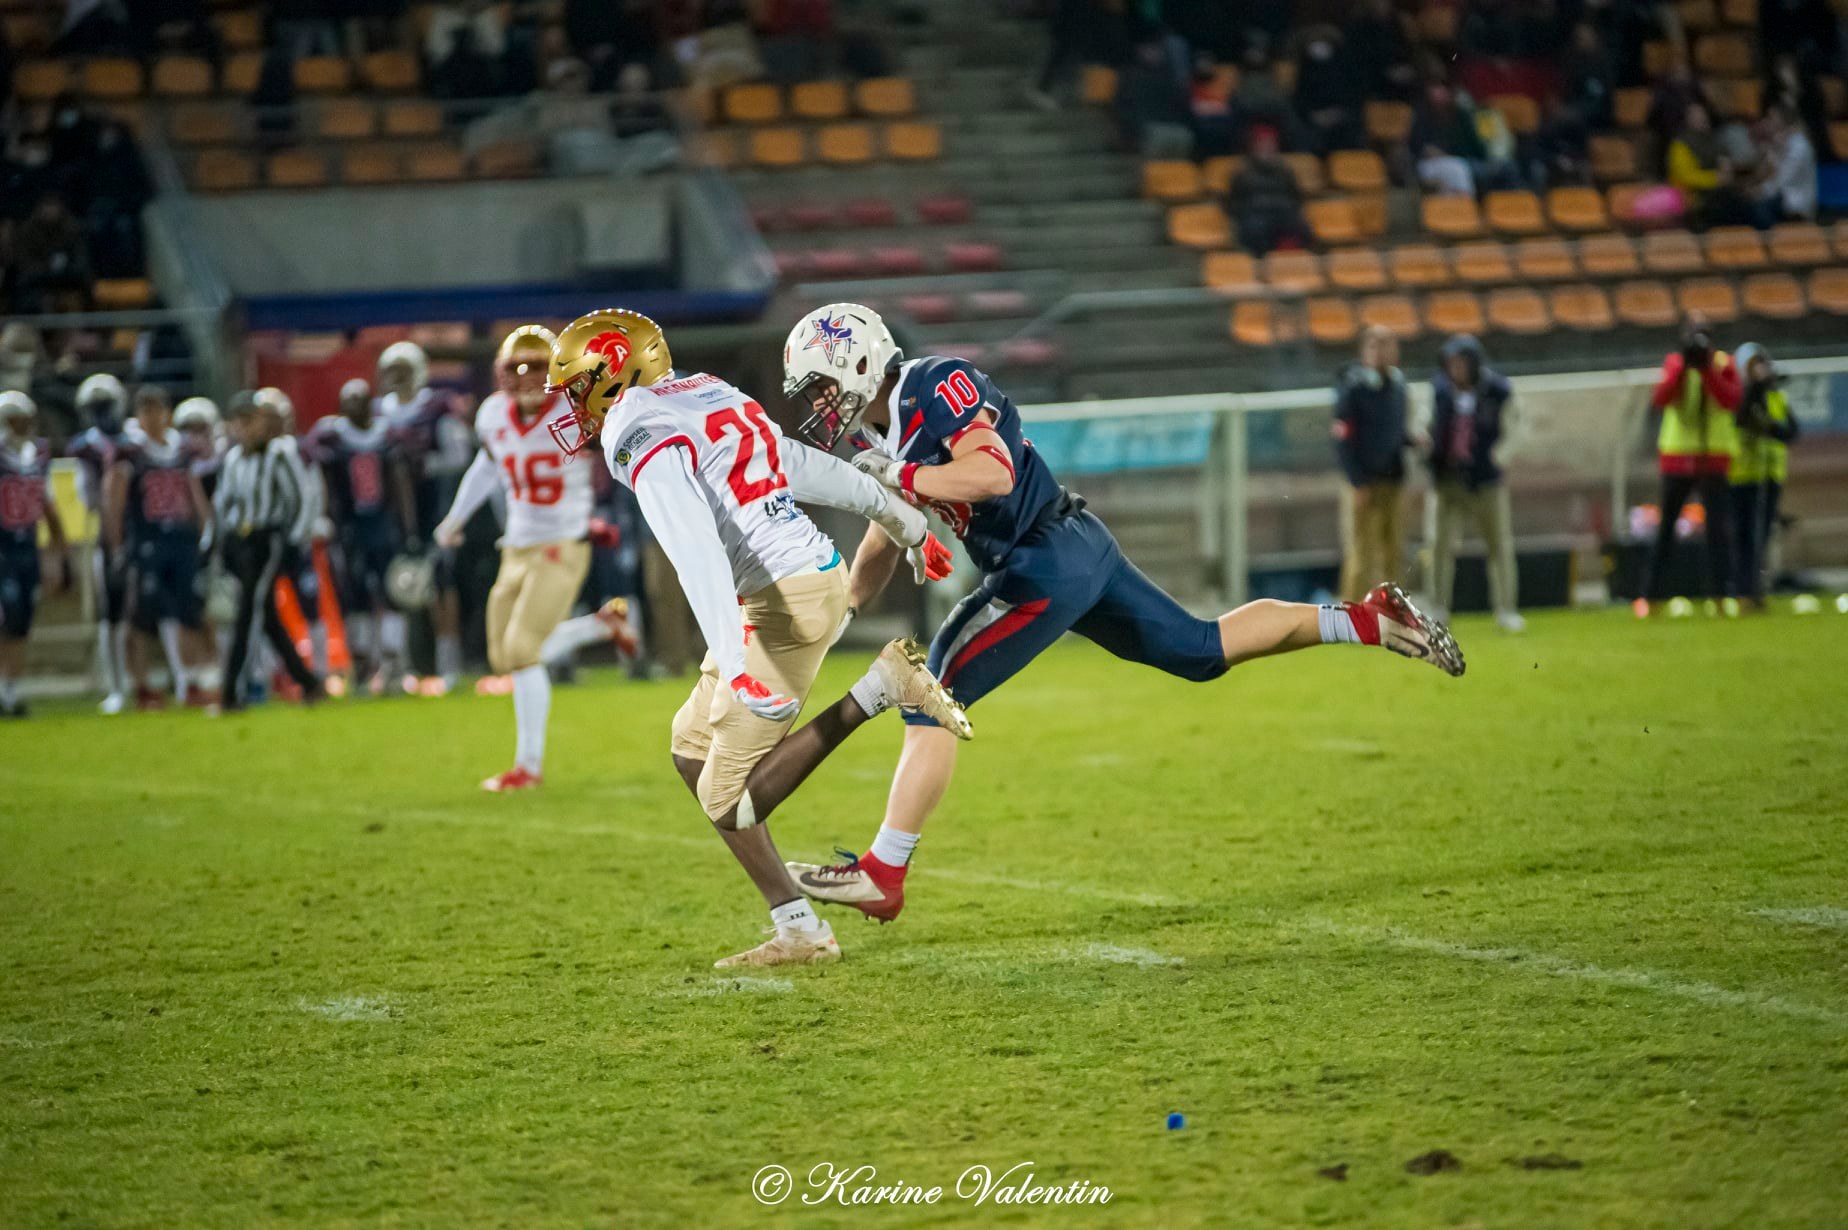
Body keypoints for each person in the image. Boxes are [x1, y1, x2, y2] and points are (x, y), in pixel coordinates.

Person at [777, 303, 1463, 924]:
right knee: (1201, 650)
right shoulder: (884, 434)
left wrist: (903, 477)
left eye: (821, 385)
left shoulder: (933, 382)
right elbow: (884, 532)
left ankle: (883, 872)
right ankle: (1365, 620)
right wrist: (846, 609)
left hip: (1042, 556)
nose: (818, 403)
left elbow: (992, 475)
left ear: (859, 360)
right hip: (1075, 549)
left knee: (928, 690)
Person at [544, 307, 969, 966]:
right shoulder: (704, 392)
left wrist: (735, 657)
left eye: (577, 386)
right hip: (792, 582)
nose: (571, 406)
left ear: (613, 373)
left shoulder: (636, 425)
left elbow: (696, 552)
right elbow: (805, 466)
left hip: (779, 602)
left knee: (730, 802)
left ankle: (881, 686)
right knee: (690, 749)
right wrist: (905, 522)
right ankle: (799, 928)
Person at [433, 326, 595, 791]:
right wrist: (455, 518)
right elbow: (487, 467)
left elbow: (618, 457)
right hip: (517, 544)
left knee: (524, 650)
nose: (525, 378)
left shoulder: (578, 409)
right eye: (515, 368)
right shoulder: (492, 415)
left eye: (536, 367)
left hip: (563, 543)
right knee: (503, 655)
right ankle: (602, 625)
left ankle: (528, 765)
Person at [104, 385, 218, 708]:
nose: (153, 418)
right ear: (138, 416)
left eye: (157, 410)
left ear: (167, 413)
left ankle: (191, 681)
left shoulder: (181, 450)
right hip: (148, 540)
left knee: (189, 611)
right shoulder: (130, 452)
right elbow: (115, 498)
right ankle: (141, 686)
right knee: (140, 614)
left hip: (180, 539)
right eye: (146, 411)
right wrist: (117, 544)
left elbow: (194, 492)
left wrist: (205, 529)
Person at [305, 378, 417, 696]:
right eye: (349, 400)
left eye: (360, 399)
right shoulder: (332, 438)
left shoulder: (386, 436)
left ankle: (394, 665)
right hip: (350, 528)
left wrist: (407, 529)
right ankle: (363, 666)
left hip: (383, 525)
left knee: (393, 592)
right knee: (354, 597)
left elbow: (400, 484)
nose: (355, 406)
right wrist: (326, 519)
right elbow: (323, 484)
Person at [210, 396, 323, 711]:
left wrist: (294, 538)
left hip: (269, 538)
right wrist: (216, 541)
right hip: (241, 540)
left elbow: (301, 497)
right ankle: (309, 682)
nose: (247, 428)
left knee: (250, 612)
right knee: (266, 617)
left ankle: (233, 691)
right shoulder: (233, 459)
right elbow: (223, 503)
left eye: (252, 420)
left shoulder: (280, 454)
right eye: (241, 421)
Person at [376, 340, 469, 694]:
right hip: (392, 512)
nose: (397, 379)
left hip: (434, 506)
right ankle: (396, 666)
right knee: (393, 586)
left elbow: (458, 454)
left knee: (441, 584)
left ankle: (448, 664)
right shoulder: (378, 413)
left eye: (403, 371)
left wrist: (423, 464)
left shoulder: (436, 408)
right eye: (392, 372)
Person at [1635, 313, 1741, 616]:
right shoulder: (1675, 364)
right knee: (1667, 528)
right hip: (1678, 458)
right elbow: (1662, 397)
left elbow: (1731, 400)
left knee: (1718, 531)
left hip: (1714, 458)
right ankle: (1650, 596)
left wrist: (1707, 370)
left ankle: (1721, 596)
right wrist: (1683, 370)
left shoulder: (1723, 365)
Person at [1425, 335, 1522, 632]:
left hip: (1485, 481)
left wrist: (1499, 457)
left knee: (1499, 546)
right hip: (1448, 480)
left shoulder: (1498, 390)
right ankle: (1438, 609)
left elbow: (1516, 428)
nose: (1455, 369)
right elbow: (1426, 422)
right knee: (1440, 547)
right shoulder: (1440, 391)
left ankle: (1506, 609)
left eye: (1461, 363)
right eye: (1451, 364)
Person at [0, 391, 71, 717]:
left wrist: (59, 553)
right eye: (14, 421)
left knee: (19, 623)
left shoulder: (37, 456)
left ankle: (11, 693)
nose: (20, 427)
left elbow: (48, 506)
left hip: (26, 546)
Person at [68, 371, 131, 712]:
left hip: (138, 531)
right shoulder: (87, 448)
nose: (102, 414)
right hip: (106, 534)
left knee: (139, 611)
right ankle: (116, 685)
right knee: (112, 611)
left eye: (105, 406)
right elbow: (88, 499)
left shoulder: (132, 439)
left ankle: (144, 682)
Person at [1334, 326, 1410, 603]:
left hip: (1392, 477)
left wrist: (1413, 441)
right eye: (1374, 346)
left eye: (1386, 345)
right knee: (1361, 549)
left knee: (1393, 548)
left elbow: (1395, 431)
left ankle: (1393, 607)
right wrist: (1356, 481)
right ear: (1364, 351)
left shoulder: (1398, 386)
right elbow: (1343, 439)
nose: (1380, 352)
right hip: (1364, 480)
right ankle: (1352, 612)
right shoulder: (1353, 388)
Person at [1728, 343, 1799, 609]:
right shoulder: (1739, 397)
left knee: (1761, 534)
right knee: (1743, 534)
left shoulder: (1775, 398)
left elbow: (1790, 432)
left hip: (1769, 474)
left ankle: (1755, 588)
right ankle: (1742, 589)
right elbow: (1741, 420)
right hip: (1742, 474)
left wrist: (1770, 424)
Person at [1224, 125, 1311, 256]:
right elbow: (1233, 202)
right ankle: (1261, 262)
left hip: (1282, 212)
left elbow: (1296, 196)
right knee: (1255, 229)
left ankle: (1291, 260)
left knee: (1299, 227)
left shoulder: (1285, 171)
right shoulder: (1242, 173)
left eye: (1270, 145)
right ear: (1253, 147)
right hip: (1255, 214)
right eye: (1263, 145)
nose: (1267, 148)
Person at [1749, 103, 1817, 228]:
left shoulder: (1798, 145)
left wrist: (1760, 191)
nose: (1767, 122)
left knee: (1757, 209)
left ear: (1783, 121)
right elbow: (1760, 174)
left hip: (1795, 201)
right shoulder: (1778, 142)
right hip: (1779, 196)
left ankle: (1773, 244)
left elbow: (1783, 179)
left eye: (1771, 118)